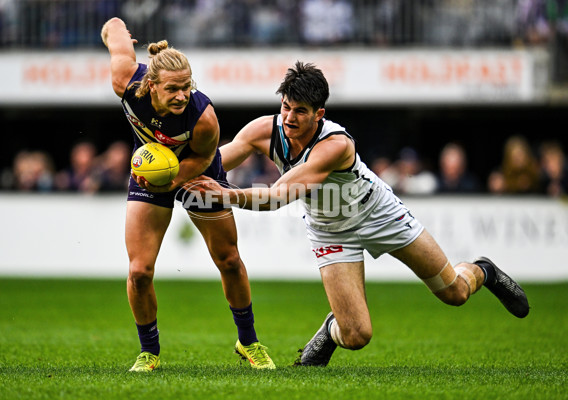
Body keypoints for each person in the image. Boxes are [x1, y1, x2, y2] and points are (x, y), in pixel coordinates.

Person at [185, 61, 530, 367]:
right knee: (356, 335)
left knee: (454, 293)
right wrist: (172, 176)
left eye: (300, 111)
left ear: (319, 114)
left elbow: (278, 197)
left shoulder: (336, 145)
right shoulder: (264, 130)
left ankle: (484, 270)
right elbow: (213, 162)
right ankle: (330, 329)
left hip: (379, 214)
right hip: (330, 230)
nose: (289, 117)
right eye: (286, 106)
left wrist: (225, 194)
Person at [100, 17, 274, 372]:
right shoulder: (124, 80)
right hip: (150, 173)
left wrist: (174, 178)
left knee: (228, 260)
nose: (182, 95)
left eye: (187, 87)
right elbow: (113, 26)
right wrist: (117, 30)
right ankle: (149, 352)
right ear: (151, 85)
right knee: (139, 272)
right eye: (173, 89)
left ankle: (249, 341)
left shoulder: (204, 119)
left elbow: (206, 156)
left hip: (197, 172)